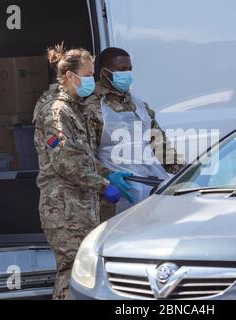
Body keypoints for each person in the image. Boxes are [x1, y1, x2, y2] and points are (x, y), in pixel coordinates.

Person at [33, 43, 121, 300]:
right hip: (64, 208)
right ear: (70, 76)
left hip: (80, 205)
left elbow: (85, 157)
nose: (92, 81)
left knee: (84, 271)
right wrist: (104, 185)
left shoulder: (74, 107)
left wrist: (107, 173)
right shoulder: (57, 110)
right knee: (71, 271)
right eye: (88, 75)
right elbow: (65, 161)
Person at [84, 47, 185, 218]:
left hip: (150, 190)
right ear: (105, 72)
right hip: (115, 195)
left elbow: (161, 147)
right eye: (122, 70)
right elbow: (83, 156)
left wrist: (186, 173)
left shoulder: (139, 106)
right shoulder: (90, 107)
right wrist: (107, 177)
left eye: (130, 69)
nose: (127, 74)